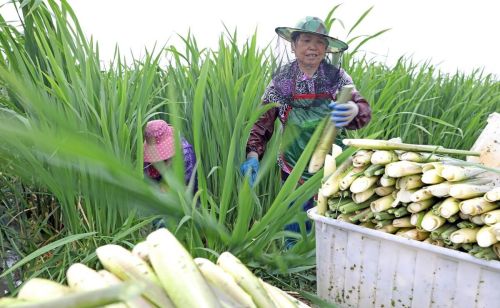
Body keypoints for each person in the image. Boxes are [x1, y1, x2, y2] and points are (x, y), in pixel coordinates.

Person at [240, 16, 371, 240]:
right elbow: (262, 123)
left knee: (333, 220)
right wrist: (252, 155)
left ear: (327, 48)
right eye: (306, 40)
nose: (313, 47)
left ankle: (326, 258)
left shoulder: (337, 77)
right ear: (293, 45)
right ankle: (292, 264)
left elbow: (361, 108)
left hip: (332, 164)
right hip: (293, 165)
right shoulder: (282, 80)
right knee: (294, 222)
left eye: (320, 42)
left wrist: (354, 111)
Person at [143, 119, 197, 190]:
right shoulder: (147, 157)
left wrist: (167, 190)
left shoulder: (185, 154)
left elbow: (189, 188)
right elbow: (147, 181)